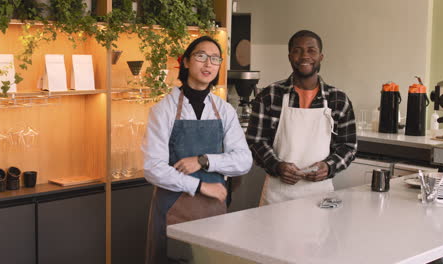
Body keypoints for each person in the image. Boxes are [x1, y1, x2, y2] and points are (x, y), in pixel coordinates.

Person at [143, 36, 252, 264]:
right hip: (173, 208)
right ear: (185, 62)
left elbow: (244, 160)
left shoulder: (225, 110)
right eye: (201, 56)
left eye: (214, 59)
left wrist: (204, 161)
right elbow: (153, 168)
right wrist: (201, 185)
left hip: (213, 210)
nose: (208, 64)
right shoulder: (163, 110)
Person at [246, 30, 357, 205]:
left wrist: (329, 167)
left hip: (320, 195)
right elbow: (255, 141)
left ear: (321, 56)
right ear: (290, 56)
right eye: (297, 50)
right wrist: (276, 166)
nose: (305, 56)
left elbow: (348, 146)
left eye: (311, 50)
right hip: (277, 196)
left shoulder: (338, 99)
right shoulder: (269, 95)